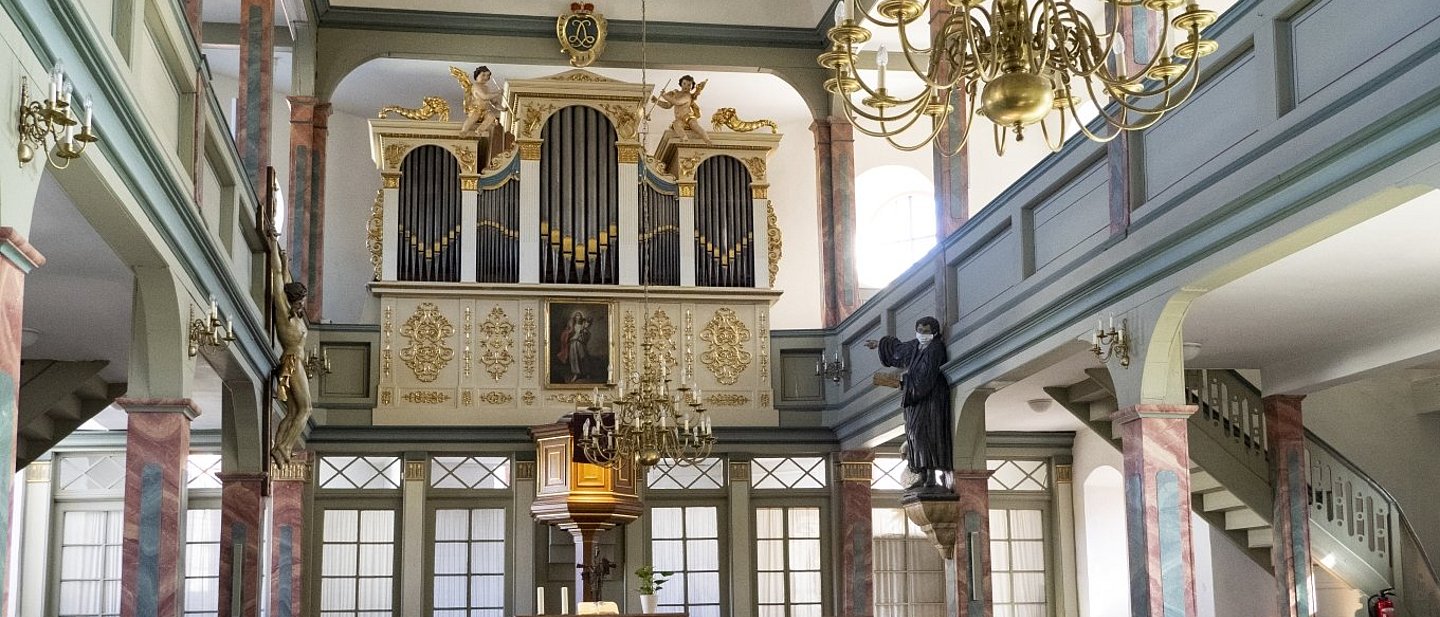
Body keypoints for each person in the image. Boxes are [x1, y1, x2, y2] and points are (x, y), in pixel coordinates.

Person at [865, 316, 951, 490]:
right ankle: (922, 474)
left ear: (934, 332)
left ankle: (932, 477)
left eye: (926, 331)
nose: (922, 334)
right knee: (913, 435)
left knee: (926, 434)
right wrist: (879, 345)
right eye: (919, 330)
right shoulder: (916, 346)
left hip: (930, 399)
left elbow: (926, 376)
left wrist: (902, 383)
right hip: (914, 400)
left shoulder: (935, 349)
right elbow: (899, 350)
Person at [267, 230, 313, 468]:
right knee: (306, 408)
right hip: (292, 361)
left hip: (295, 361)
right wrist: (273, 243)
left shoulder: (293, 314)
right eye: (300, 302)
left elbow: (283, 274)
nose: (301, 306)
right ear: (292, 301)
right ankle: (285, 447)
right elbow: (276, 276)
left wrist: (285, 262)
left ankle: (278, 448)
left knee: (293, 410)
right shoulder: (285, 315)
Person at [651, 75, 713, 145]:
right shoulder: (676, 94)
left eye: (689, 85)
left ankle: (707, 140)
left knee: (695, 127)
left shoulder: (687, 96)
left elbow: (677, 102)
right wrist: (657, 101)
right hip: (679, 119)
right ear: (681, 84)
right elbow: (668, 105)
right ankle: (684, 139)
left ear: (691, 87)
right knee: (676, 124)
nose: (686, 86)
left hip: (688, 117)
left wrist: (665, 96)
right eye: (684, 84)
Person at [460, 65, 505, 139]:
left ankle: (480, 130)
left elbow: (494, 102)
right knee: (473, 118)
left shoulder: (487, 88)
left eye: (487, 75)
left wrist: (502, 108)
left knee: (491, 117)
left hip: (485, 110)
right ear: (477, 75)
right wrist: (497, 93)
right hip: (476, 109)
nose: (485, 77)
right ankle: (464, 130)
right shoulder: (476, 86)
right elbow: (484, 96)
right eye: (483, 75)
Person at [557, 309, 592, 383]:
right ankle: (576, 374)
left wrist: (584, 331)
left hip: (579, 343)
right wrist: (569, 333)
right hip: (572, 343)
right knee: (573, 359)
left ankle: (586, 372)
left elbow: (586, 335)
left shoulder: (583, 325)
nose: (577, 317)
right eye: (576, 315)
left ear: (581, 317)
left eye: (579, 315)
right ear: (574, 317)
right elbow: (567, 333)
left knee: (582, 358)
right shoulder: (572, 325)